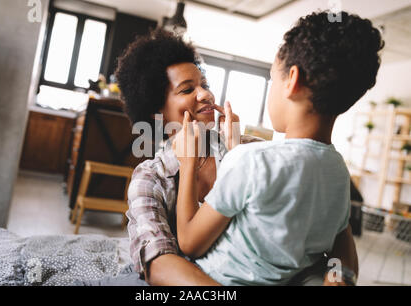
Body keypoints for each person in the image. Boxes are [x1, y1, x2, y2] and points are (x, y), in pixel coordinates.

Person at [113, 28, 358, 286]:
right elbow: (159, 266)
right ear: (156, 112)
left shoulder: (251, 151)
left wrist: (338, 278)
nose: (206, 94)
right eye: (187, 90)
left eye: (204, 85)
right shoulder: (150, 178)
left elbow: (333, 227)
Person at [173, 11, 383, 285]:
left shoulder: (251, 162)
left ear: (292, 80)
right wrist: (235, 149)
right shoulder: (339, 173)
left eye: (271, 79)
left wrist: (188, 162)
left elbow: (189, 241)